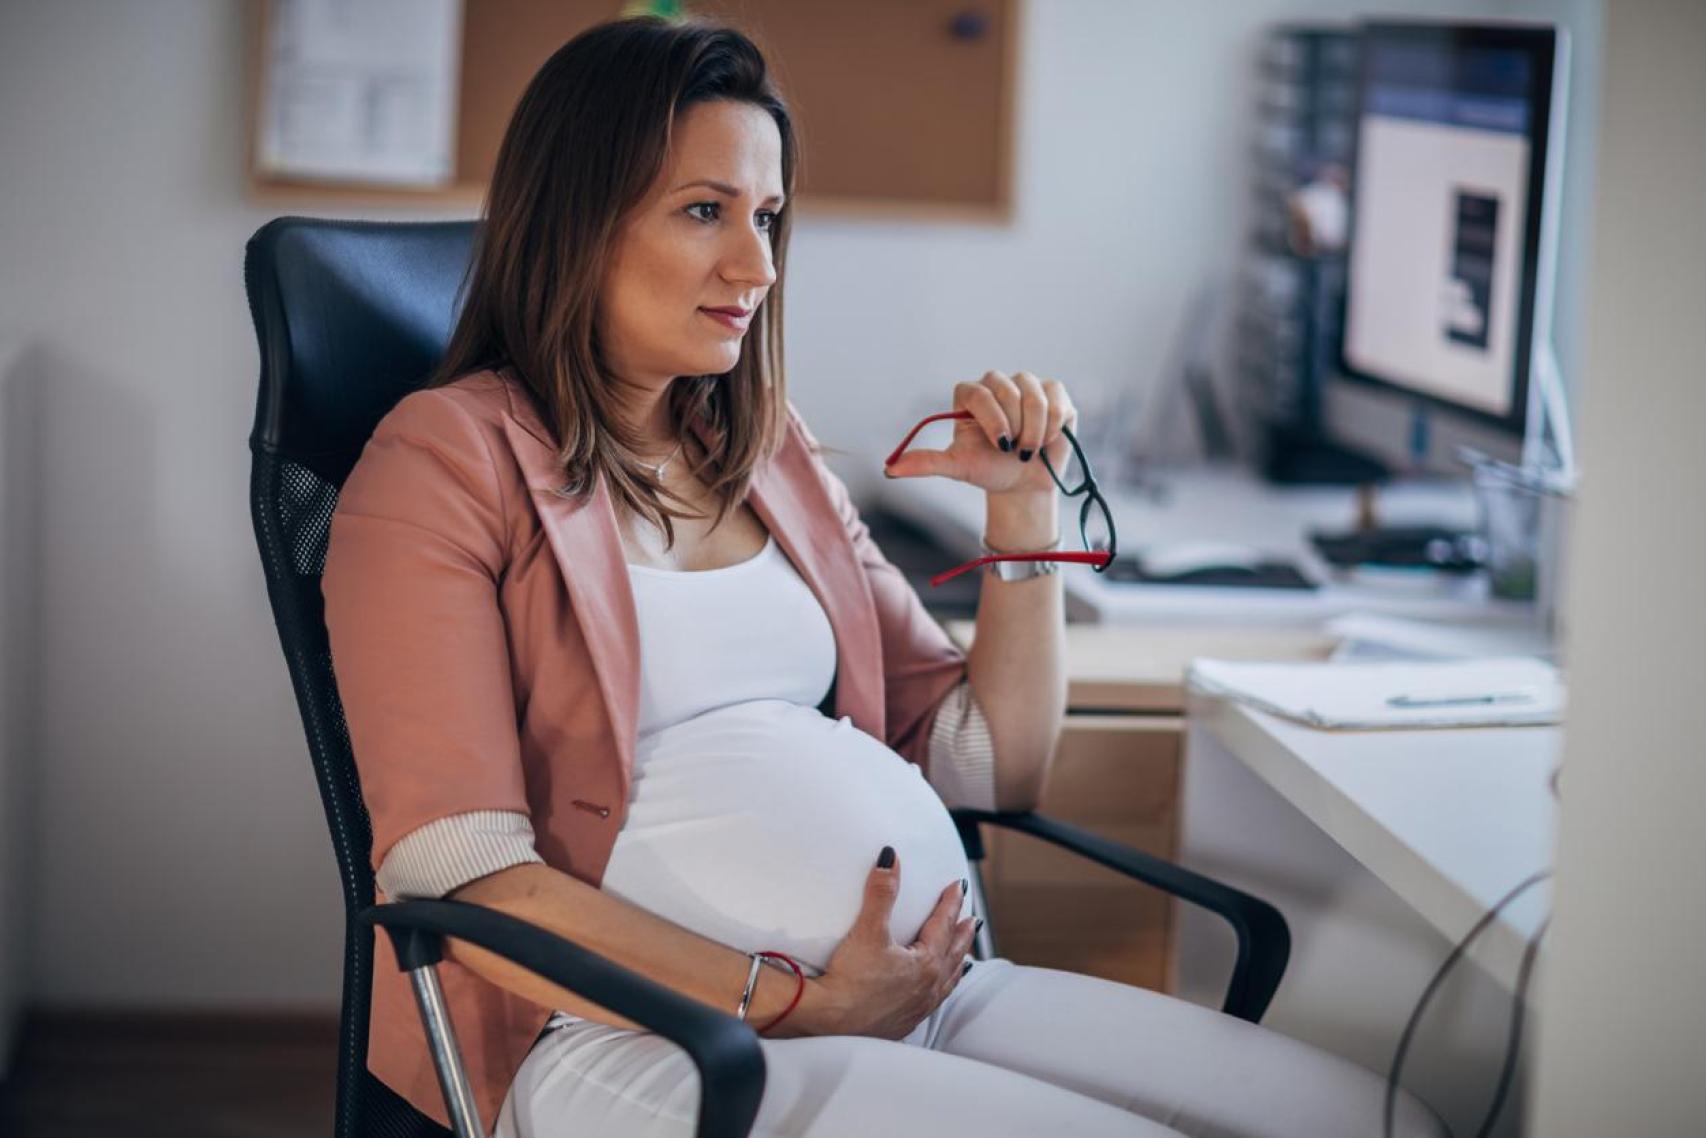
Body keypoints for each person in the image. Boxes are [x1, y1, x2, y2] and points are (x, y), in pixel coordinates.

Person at [321, 16, 1449, 1138]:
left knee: (1378, 1117)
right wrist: (796, 997)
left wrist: (1021, 515)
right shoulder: (444, 459)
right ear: (575, 223)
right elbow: (460, 883)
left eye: (765, 216)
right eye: (703, 210)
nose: (757, 266)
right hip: (636, 1037)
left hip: (922, 993)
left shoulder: (759, 446)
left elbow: (987, 763)